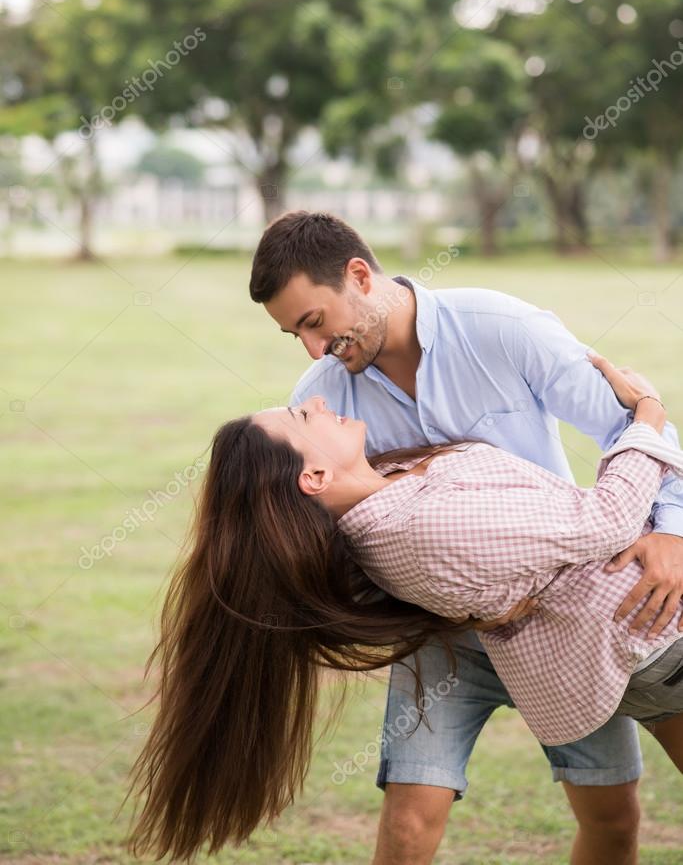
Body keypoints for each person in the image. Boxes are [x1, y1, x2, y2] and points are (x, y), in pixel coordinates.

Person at [247, 211, 683, 865]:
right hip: (440, 636)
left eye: (313, 322)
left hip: (568, 620)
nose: (312, 349)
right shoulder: (320, 401)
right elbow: (321, 540)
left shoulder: (501, 327)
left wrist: (672, 531)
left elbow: (626, 422)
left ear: (359, 276)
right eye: (294, 334)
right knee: (405, 830)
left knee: (613, 819)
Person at [123, 359, 683, 863]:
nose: (318, 400)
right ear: (313, 477)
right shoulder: (417, 527)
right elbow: (606, 519)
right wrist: (647, 412)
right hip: (658, 638)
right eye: (301, 415)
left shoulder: (391, 485)